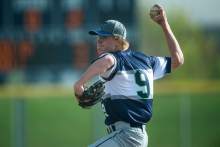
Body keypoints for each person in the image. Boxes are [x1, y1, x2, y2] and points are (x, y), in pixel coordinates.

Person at [74, 4, 184, 147]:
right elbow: (178, 60)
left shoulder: (113, 58)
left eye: (104, 37)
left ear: (118, 41)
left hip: (125, 137)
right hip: (136, 137)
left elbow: (108, 60)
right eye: (98, 37)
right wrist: (164, 24)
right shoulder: (146, 61)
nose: (99, 41)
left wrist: (79, 84)